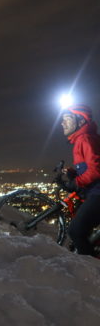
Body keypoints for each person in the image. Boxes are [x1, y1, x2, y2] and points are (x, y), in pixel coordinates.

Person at [61, 104, 100, 256]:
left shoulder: (85, 139)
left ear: (81, 122)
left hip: (98, 194)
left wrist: (76, 182)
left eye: (68, 118)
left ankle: (92, 272)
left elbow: (96, 170)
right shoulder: (82, 139)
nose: (62, 123)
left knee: (76, 231)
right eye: (62, 119)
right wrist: (73, 172)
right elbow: (89, 166)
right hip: (94, 192)